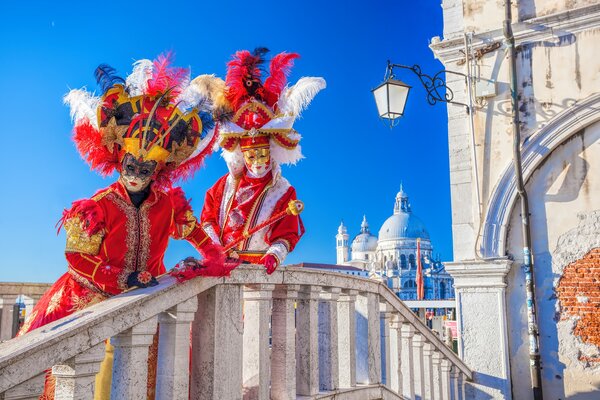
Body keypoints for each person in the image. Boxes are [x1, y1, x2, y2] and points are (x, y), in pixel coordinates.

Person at [18, 54, 227, 399]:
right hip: (90, 303)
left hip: (145, 305)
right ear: (120, 160)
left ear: (158, 170)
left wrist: (212, 259)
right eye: (130, 165)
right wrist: (119, 278)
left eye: (145, 169)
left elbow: (198, 237)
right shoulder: (97, 206)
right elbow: (77, 258)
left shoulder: (168, 206)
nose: (134, 175)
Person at [200, 48, 325, 273]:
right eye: (251, 155)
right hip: (222, 268)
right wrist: (214, 248)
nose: (257, 161)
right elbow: (208, 218)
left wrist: (274, 255)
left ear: (271, 152)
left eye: (262, 154)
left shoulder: (283, 192)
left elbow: (287, 233)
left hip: (257, 272)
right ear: (242, 155)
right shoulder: (223, 187)